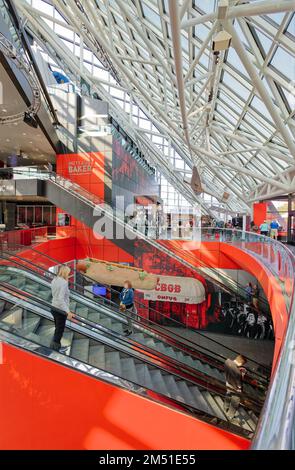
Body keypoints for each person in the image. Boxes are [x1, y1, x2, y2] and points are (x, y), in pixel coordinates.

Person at [50, 266, 73, 352]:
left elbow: (55, 294)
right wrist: (68, 312)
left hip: (53, 307)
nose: (69, 274)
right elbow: (60, 298)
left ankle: (56, 346)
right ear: (65, 273)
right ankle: (56, 349)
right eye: (68, 273)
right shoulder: (63, 282)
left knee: (57, 329)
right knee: (59, 330)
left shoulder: (54, 279)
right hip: (60, 310)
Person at [224, 355, 247, 420]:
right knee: (235, 401)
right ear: (241, 363)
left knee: (228, 394)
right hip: (235, 387)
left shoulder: (227, 361)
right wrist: (240, 390)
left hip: (228, 383)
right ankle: (230, 416)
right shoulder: (238, 373)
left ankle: (225, 407)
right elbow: (239, 384)